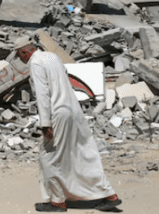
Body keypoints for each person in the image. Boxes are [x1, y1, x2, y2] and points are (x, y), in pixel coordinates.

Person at [13, 35, 122, 212]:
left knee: (48, 157)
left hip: (58, 114)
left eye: (19, 55)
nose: (20, 59)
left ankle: (57, 201)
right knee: (83, 153)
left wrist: (45, 123)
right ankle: (109, 194)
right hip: (73, 111)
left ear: (25, 51)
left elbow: (42, 94)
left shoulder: (35, 63)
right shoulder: (52, 56)